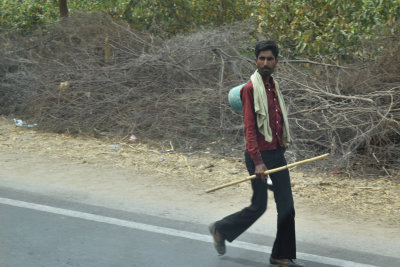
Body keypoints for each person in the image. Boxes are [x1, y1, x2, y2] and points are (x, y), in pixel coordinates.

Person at [209, 40, 305, 267]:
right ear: (255, 60)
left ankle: (280, 255)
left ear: (276, 62)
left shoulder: (274, 86)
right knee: (259, 206)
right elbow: (250, 129)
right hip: (258, 158)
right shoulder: (249, 89)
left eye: (270, 59)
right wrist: (259, 162)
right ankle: (221, 229)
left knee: (287, 207)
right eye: (261, 58)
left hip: (276, 155)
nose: (265, 63)